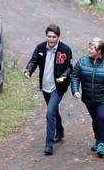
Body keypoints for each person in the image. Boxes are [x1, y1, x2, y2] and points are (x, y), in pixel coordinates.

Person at [24, 24, 73, 156]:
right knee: (53, 110)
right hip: (45, 86)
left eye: (54, 37)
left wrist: (64, 76)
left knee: (50, 111)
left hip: (58, 87)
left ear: (58, 37)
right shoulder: (40, 47)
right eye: (49, 36)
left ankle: (49, 144)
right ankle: (60, 130)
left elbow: (69, 67)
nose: (51, 39)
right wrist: (29, 70)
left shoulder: (65, 49)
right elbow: (33, 61)